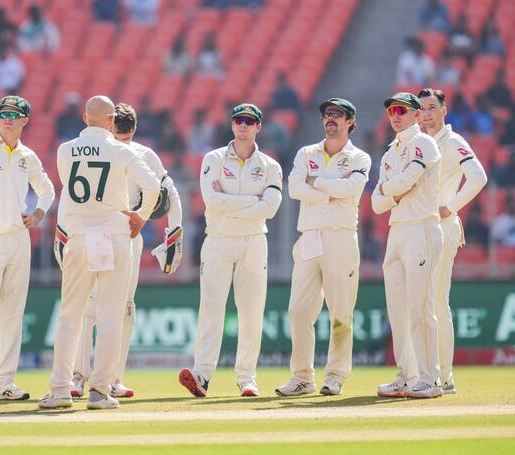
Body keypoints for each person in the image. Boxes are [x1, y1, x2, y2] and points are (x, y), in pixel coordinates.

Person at [38, 96, 160, 410]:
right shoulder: (122, 150)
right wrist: (141, 215)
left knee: (70, 316)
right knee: (110, 316)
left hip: (79, 236)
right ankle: (101, 390)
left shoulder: (65, 150)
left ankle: (61, 389)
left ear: (85, 118)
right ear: (111, 121)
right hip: (114, 235)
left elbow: (69, 187)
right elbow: (154, 187)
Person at [71, 102, 183, 398]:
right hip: (108, 231)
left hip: (122, 232)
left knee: (120, 307)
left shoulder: (139, 153)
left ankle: (107, 378)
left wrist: (173, 233)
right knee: (95, 305)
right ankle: (82, 376)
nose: (122, 141)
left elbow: (168, 192)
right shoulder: (112, 150)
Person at [179, 103, 283, 398]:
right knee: (211, 307)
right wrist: (253, 201)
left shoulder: (270, 166)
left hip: (253, 241)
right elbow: (212, 200)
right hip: (219, 239)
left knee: (251, 311)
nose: (243, 125)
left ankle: (247, 378)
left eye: (250, 121)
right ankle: (202, 374)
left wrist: (233, 203)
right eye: (238, 120)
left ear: (258, 127)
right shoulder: (213, 159)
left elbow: (272, 208)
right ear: (231, 124)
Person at [277, 98, 370, 397]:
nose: (330, 119)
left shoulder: (359, 158)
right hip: (309, 236)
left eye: (337, 115)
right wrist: (332, 189)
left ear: (350, 122)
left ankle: (336, 375)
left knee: (341, 312)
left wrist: (315, 183)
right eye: (327, 114)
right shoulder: (307, 153)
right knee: (298, 311)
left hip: (341, 237)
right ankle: (302, 377)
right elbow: (294, 188)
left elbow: (352, 189)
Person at [0, 96, 55, 400]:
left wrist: (39, 214)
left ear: (24, 120)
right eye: (3, 114)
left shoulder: (27, 156)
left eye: (13, 115)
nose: (6, 119)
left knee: (12, 314)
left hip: (19, 239)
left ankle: (4, 382)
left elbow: (47, 189)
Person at [371, 92, 443, 399]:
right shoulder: (389, 154)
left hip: (422, 227)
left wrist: (390, 190)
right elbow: (375, 204)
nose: (395, 115)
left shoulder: (424, 143)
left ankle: (431, 378)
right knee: (397, 310)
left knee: (420, 307)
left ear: (416, 114)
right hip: (397, 231)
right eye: (391, 111)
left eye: (401, 110)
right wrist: (392, 190)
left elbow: (404, 183)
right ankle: (406, 375)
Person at [418, 88, 487, 394]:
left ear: (444, 110)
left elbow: (478, 176)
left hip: (442, 226)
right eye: (422, 109)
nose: (427, 113)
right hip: (420, 227)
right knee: (422, 302)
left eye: (432, 107)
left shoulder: (453, 141)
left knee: (436, 301)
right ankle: (426, 371)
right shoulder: (419, 142)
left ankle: (444, 375)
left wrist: (451, 206)